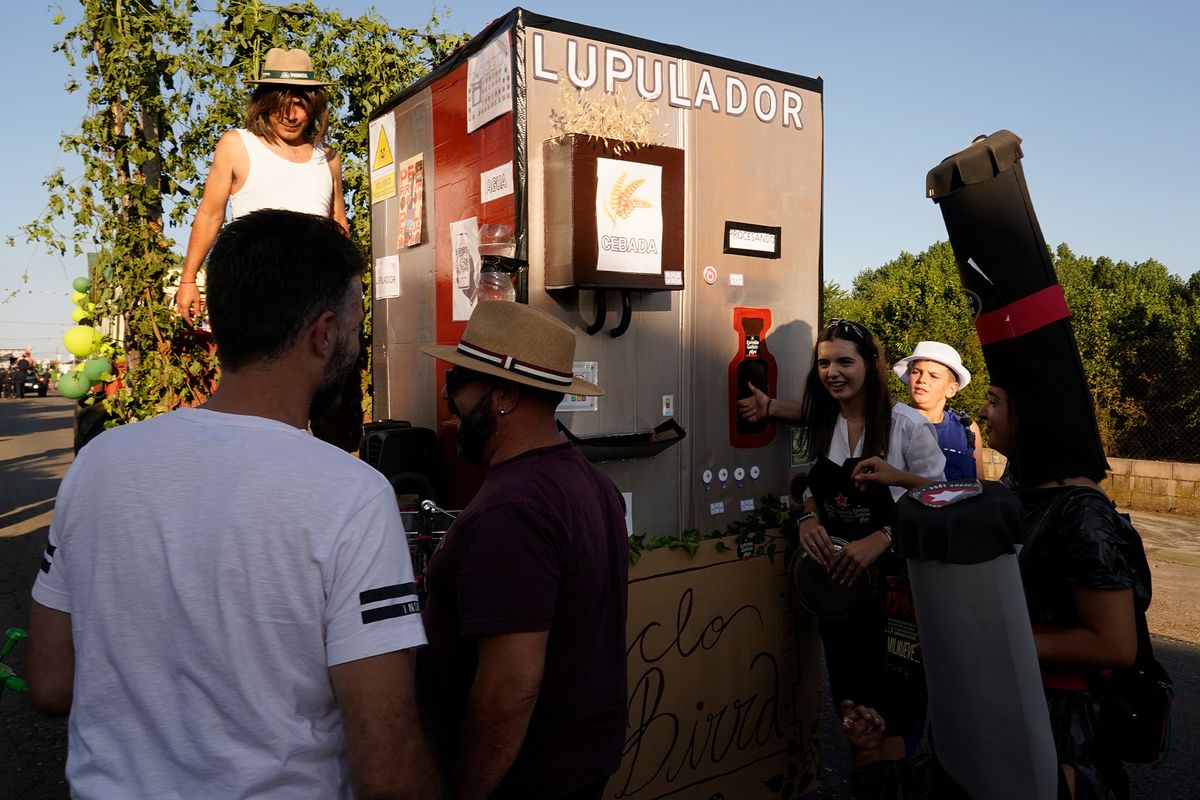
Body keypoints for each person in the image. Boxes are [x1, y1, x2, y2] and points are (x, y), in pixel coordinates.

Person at [27, 210, 438, 799]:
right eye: (354, 322)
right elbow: (388, 767)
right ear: (323, 333)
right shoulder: (351, 497)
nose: (355, 338)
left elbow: (49, 683)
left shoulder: (98, 465)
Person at [418, 301, 628, 800]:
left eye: (457, 382)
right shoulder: (592, 482)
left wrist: (466, 792)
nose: (450, 402)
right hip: (577, 763)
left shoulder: (511, 510)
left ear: (504, 396)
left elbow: (508, 692)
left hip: (523, 778)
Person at [739, 318, 945, 760]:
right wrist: (808, 520)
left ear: (871, 363)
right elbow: (813, 489)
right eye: (824, 362)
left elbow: (941, 500)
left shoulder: (906, 424)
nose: (833, 371)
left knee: (892, 710)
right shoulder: (825, 423)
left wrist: (884, 536)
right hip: (842, 593)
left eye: (845, 362)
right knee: (854, 711)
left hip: (896, 595)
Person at [979, 383, 1149, 800]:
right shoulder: (1023, 489)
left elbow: (1113, 644)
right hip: (1011, 698)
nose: (982, 412)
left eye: (995, 401)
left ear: (1031, 416)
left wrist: (992, 644)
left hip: (1064, 724)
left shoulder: (1083, 513)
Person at [175, 47, 348, 325]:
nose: (290, 115)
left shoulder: (327, 157)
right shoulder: (238, 145)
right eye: (281, 104)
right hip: (254, 294)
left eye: (299, 104)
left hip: (315, 297)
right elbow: (210, 214)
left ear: (313, 106)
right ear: (265, 103)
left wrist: (349, 290)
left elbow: (338, 224)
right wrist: (188, 281)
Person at [892, 341, 982, 479]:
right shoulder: (889, 423)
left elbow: (982, 486)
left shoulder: (967, 429)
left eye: (933, 376)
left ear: (951, 389)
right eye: (916, 372)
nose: (922, 379)